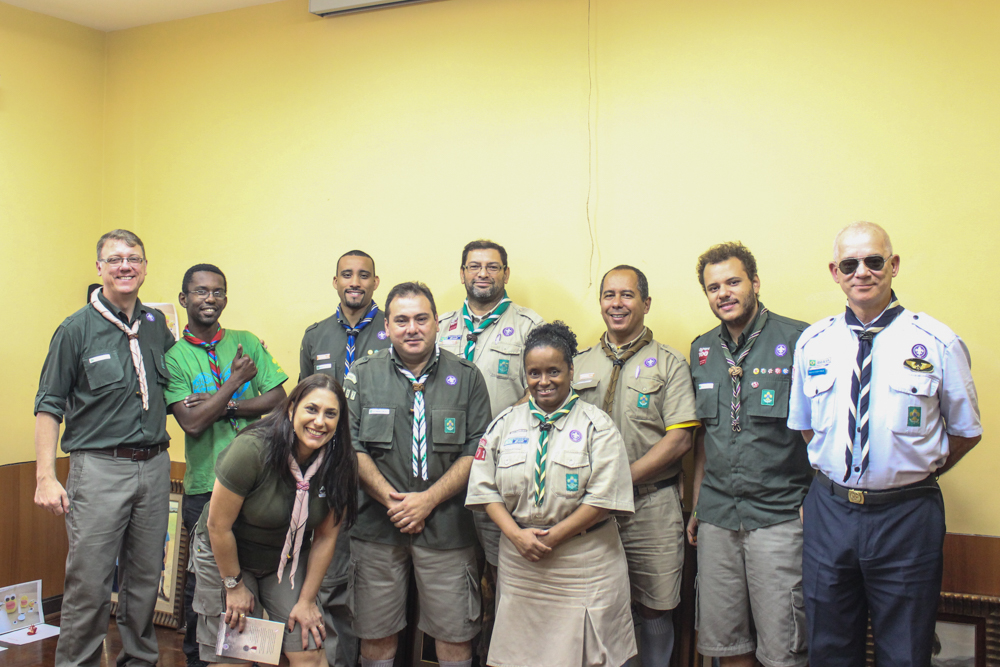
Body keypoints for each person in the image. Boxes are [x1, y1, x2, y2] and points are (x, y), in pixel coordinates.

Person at [788, 222, 982, 666]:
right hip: (830, 512)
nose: (863, 272)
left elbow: (966, 431)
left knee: (905, 649)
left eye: (874, 261)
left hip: (907, 516)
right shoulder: (813, 343)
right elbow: (805, 427)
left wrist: (909, 470)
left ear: (892, 266)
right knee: (829, 647)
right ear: (835, 272)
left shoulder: (937, 341)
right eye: (850, 264)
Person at [34, 229, 176, 667]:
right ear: (99, 269)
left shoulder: (156, 326)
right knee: (89, 584)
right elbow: (49, 403)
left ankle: (138, 660)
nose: (125, 266)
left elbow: (186, 378)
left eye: (133, 258)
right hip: (99, 469)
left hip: (154, 467)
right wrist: (44, 476)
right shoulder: (75, 329)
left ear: (146, 267)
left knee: (144, 581)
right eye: (114, 259)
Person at [467, 321, 637, 667]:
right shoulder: (504, 424)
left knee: (589, 656)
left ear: (571, 370)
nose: (543, 381)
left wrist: (551, 538)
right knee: (521, 656)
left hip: (584, 561)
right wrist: (517, 536)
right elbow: (484, 490)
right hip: (522, 563)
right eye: (534, 373)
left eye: (554, 371)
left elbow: (603, 500)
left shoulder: (597, 426)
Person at [345, 281, 492, 667]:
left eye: (421, 319)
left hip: (447, 528)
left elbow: (475, 450)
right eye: (402, 320)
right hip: (377, 527)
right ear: (388, 327)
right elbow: (350, 446)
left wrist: (427, 500)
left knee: (454, 637)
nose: (413, 328)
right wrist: (392, 500)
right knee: (375, 637)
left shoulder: (467, 377)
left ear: (436, 323)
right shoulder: (363, 374)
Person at [687, 243, 811, 667]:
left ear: (755, 283)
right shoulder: (701, 350)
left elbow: (824, 434)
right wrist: (698, 505)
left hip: (779, 515)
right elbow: (706, 438)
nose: (723, 293)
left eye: (733, 282)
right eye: (713, 287)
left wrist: (815, 505)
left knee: (784, 648)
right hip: (719, 516)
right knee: (728, 645)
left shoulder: (800, 339)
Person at [571, 265, 698, 667]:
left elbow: (680, 439)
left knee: (655, 605)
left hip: (651, 505)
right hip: (588, 509)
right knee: (598, 603)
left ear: (645, 303)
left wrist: (618, 481)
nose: (617, 303)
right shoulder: (578, 362)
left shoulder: (670, 363)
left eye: (627, 295)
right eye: (609, 295)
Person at [165, 263, 289, 667]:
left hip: (260, 484)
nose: (210, 299)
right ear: (184, 299)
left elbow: (280, 401)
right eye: (200, 292)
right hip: (205, 486)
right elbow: (193, 422)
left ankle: (245, 658)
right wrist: (235, 383)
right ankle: (201, 660)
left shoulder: (246, 341)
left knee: (247, 581)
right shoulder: (174, 358)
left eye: (218, 292)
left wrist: (224, 403)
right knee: (206, 586)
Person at [191, 373, 358, 667]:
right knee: (239, 655)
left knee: (309, 652)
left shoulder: (338, 462)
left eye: (330, 414)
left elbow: (325, 537)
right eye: (311, 409)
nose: (320, 421)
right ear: (292, 408)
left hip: (283, 561)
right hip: (227, 555)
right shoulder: (253, 449)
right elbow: (218, 526)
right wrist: (234, 586)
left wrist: (306, 601)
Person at [436, 239, 544, 654]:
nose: (483, 273)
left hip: (502, 470)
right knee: (451, 568)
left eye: (493, 267)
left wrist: (494, 429)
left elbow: (540, 387)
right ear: (462, 273)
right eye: (474, 266)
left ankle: (500, 654)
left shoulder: (530, 325)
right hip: (443, 470)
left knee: (503, 571)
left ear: (506, 274)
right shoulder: (440, 325)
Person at [300, 249, 389, 667]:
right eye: (346, 275)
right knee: (330, 576)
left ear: (376, 282)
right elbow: (302, 406)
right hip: (328, 471)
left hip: (378, 470)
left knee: (372, 583)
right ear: (335, 281)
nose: (355, 281)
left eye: (364, 275)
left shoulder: (396, 329)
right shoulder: (316, 335)